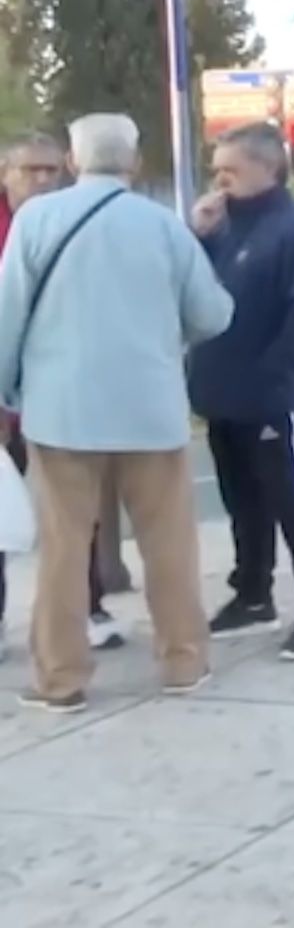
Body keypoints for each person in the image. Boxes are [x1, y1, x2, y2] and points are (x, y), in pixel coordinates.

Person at [0, 114, 233, 712]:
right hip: (151, 412)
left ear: (73, 162)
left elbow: (6, 319)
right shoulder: (163, 227)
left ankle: (61, 679)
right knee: (169, 544)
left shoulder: (35, 222)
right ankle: (184, 662)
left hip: (62, 414)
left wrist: (7, 392)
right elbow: (212, 314)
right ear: (133, 163)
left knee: (63, 550)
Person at [186, 123, 294, 660]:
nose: (219, 179)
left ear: (268, 168)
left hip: (274, 396)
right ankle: (252, 593)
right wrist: (198, 238)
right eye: (217, 169)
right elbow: (192, 294)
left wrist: (273, 377)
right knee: (242, 501)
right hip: (220, 392)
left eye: (231, 169)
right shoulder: (221, 227)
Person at [0, 132, 125, 663]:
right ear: (5, 172)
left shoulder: (79, 221)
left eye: (53, 169)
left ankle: (87, 609)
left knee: (75, 513)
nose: (44, 179)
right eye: (31, 170)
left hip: (61, 392)